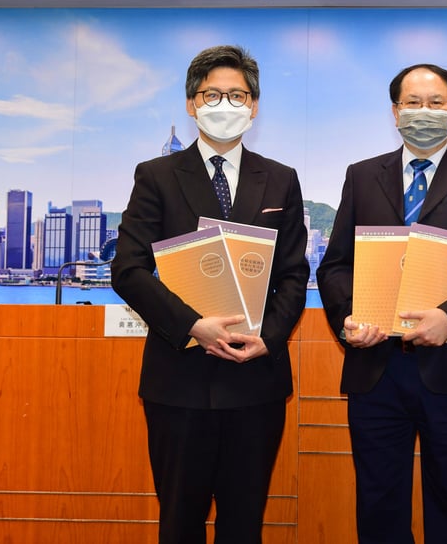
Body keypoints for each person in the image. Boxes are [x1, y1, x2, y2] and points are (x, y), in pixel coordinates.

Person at [111, 44, 310, 544]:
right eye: (212, 94)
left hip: (256, 377)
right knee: (180, 521)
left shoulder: (280, 179)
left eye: (237, 94)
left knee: (245, 523)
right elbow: (129, 270)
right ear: (191, 103)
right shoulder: (155, 176)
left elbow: (292, 273)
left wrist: (271, 335)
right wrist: (193, 326)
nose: (225, 104)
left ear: (255, 105)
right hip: (180, 378)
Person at [315, 63, 447, 544]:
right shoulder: (362, 176)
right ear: (395, 110)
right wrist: (349, 317)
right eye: (413, 103)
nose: (424, 112)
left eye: (436, 103)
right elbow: (335, 264)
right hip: (376, 366)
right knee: (379, 504)